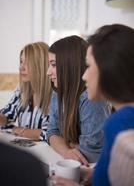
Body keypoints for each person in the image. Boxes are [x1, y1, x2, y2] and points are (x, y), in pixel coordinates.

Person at [50, 24, 134, 186]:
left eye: (88, 66)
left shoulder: (121, 124)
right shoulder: (120, 118)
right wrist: (94, 175)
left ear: (109, 68)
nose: (83, 76)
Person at [46, 35, 110, 166]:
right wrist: (68, 150)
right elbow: (51, 132)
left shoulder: (90, 98)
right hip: (70, 161)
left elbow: (91, 154)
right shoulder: (57, 92)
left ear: (70, 66)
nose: (48, 72)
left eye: (53, 65)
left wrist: (64, 142)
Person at [0, 42, 51, 141]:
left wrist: (17, 130)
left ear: (41, 65)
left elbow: (50, 134)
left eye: (27, 63)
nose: (20, 68)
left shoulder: (56, 96)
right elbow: (6, 117)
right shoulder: (22, 90)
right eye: (21, 62)